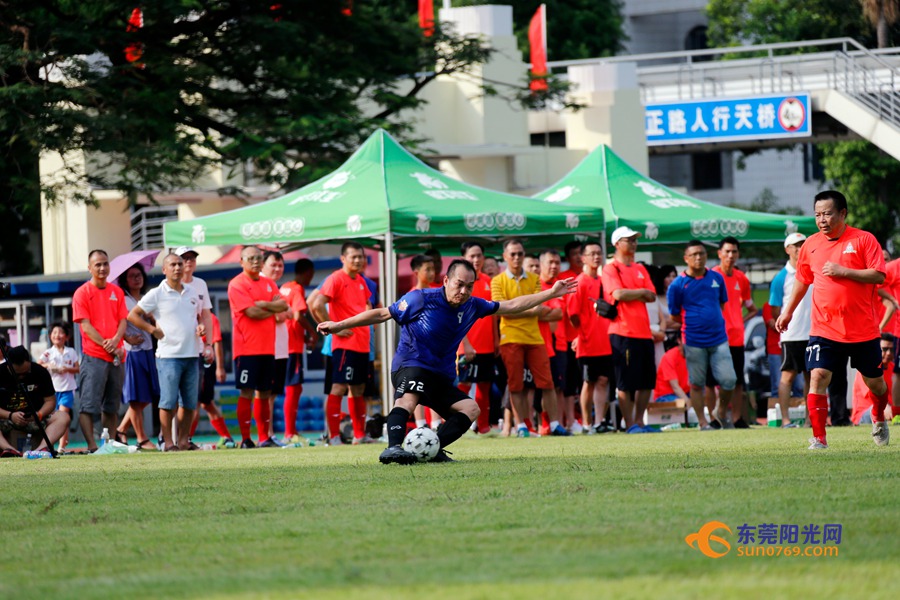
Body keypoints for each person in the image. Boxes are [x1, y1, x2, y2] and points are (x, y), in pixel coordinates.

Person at [317, 259, 578, 464]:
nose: (463, 291)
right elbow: (382, 314)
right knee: (407, 401)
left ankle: (433, 448)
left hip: (440, 374)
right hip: (411, 363)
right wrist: (339, 324)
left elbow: (511, 306)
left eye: (469, 286)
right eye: (458, 284)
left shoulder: (474, 305)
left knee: (470, 409)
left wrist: (550, 294)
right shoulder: (420, 298)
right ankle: (393, 448)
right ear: (446, 281)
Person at [776, 190, 890, 449]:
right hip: (824, 327)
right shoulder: (811, 245)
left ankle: (878, 418)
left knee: (876, 383)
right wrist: (788, 311)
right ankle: (819, 437)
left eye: (827, 213)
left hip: (862, 329)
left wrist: (843, 271)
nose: (822, 219)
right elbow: (802, 281)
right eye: (817, 214)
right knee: (818, 375)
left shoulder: (864, 239)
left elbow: (878, 275)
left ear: (843, 213)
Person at [128, 253, 211, 451]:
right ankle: (168, 441)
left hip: (191, 354)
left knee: (189, 403)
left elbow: (199, 317)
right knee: (167, 401)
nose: (177, 268)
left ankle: (183, 441)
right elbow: (133, 315)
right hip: (168, 356)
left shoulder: (192, 292)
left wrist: (201, 327)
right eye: (172, 265)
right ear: (164, 269)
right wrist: (151, 330)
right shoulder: (157, 293)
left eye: (180, 264)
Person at [492, 239, 571, 437]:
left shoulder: (534, 279)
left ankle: (554, 424)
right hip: (510, 338)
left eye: (520, 253)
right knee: (516, 384)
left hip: (535, 338)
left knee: (547, 382)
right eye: (513, 254)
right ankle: (521, 426)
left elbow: (534, 307)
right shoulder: (498, 281)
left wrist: (514, 307)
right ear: (505, 257)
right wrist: (529, 309)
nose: (517, 257)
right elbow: (501, 311)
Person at [667, 240, 736, 430]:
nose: (699, 258)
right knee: (697, 384)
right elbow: (674, 314)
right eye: (694, 254)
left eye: (702, 254)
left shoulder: (717, 278)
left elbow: (721, 304)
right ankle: (703, 422)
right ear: (686, 258)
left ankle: (720, 412)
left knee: (729, 380)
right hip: (693, 340)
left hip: (719, 338)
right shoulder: (677, 285)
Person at [309, 241, 373, 445]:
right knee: (338, 387)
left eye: (360, 256)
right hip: (344, 345)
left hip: (362, 344)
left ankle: (359, 435)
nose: (358, 260)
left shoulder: (361, 281)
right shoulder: (336, 278)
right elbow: (317, 304)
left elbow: (367, 308)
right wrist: (333, 327)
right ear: (343, 259)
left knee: (358, 389)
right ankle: (334, 436)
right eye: (353, 256)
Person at [226, 245, 288, 448]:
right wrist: (269, 307)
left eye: (258, 258)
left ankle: (264, 438)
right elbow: (251, 313)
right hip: (246, 349)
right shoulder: (236, 284)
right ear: (241, 261)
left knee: (265, 392)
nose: (255, 261)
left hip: (268, 348)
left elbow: (283, 306)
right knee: (246, 392)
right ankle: (245, 439)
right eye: (250, 258)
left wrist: (261, 304)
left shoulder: (269, 283)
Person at [603, 226, 658, 433]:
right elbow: (617, 294)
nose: (634, 243)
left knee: (646, 380)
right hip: (622, 331)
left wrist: (635, 293)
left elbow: (652, 295)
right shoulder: (611, 268)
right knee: (625, 382)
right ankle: (629, 424)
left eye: (635, 240)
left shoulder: (640, 268)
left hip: (644, 332)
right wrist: (641, 292)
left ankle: (639, 422)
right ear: (617, 244)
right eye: (629, 240)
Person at [72, 249, 127, 452]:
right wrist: (108, 344)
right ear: (90, 268)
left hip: (117, 356)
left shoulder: (117, 291)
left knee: (112, 406)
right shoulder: (82, 293)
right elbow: (85, 326)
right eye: (98, 265)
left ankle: (109, 445)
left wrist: (116, 342)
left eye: (105, 264)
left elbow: (123, 320)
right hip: (94, 356)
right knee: (88, 405)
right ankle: (92, 446)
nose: (102, 268)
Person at [709, 237, 758, 428]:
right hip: (717, 337)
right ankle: (716, 417)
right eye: (727, 251)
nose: (730, 255)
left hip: (737, 338)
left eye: (734, 252)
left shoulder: (741, 278)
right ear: (719, 253)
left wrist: (740, 321)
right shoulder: (711, 276)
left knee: (737, 381)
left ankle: (737, 418)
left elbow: (752, 307)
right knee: (714, 382)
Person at [566, 241, 614, 434]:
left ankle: (599, 421)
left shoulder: (604, 280)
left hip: (606, 340)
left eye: (599, 253)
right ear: (583, 258)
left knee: (603, 380)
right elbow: (573, 314)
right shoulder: (580, 282)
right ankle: (587, 423)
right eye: (592, 253)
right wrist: (581, 333)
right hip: (587, 341)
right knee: (589, 381)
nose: (596, 257)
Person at [114, 264, 159, 450]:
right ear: (125, 280)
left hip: (149, 349)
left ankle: (122, 429)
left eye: (139, 275)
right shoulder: (123, 299)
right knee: (136, 397)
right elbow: (120, 321)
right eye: (132, 276)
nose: (137, 278)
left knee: (148, 395)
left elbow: (156, 320)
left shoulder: (146, 297)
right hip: (133, 352)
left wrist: (151, 317)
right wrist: (126, 337)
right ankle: (141, 438)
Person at [769, 233, 812, 421]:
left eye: (802, 244)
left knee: (813, 377)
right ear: (787, 250)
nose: (799, 248)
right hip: (792, 335)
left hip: (813, 333)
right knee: (788, 376)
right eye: (795, 245)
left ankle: (811, 420)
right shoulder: (781, 278)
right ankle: (785, 419)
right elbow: (775, 309)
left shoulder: (813, 271)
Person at [0, 345, 72, 455]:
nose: (22, 377)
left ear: (29, 362)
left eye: (25, 373)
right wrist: (10, 415)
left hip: (36, 418)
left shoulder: (40, 372)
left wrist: (39, 414)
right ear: (8, 366)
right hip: (6, 418)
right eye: (18, 375)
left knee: (63, 416)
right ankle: (9, 450)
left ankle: (41, 449)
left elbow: (50, 401)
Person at [458, 241, 498, 435]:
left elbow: (493, 315)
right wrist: (465, 343)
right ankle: (452, 423)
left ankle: (483, 426)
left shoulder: (489, 281)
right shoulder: (459, 284)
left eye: (479, 256)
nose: (476, 259)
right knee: (462, 385)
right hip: (466, 346)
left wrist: (496, 340)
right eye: (471, 256)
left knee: (485, 386)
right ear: (464, 258)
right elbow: (454, 316)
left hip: (487, 346)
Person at [279, 258, 318, 445]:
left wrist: (303, 336)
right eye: (311, 274)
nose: (311, 277)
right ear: (306, 272)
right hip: (291, 347)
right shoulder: (297, 289)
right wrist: (313, 332)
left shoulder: (285, 286)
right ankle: (289, 432)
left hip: (284, 343)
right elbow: (297, 316)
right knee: (293, 388)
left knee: (294, 387)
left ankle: (290, 431)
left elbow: (291, 321)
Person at [539, 249, 572, 430]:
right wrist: (546, 313)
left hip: (559, 344)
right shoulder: (537, 287)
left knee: (557, 387)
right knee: (538, 388)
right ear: (541, 264)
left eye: (557, 263)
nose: (553, 266)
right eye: (550, 262)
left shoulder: (560, 287)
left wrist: (546, 313)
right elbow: (539, 315)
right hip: (540, 344)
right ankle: (540, 424)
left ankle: (555, 423)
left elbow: (558, 314)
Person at [191, 311, 235, 446]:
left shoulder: (210, 318)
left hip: (204, 364)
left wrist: (220, 367)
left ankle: (185, 439)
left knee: (196, 403)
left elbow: (217, 342)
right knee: (206, 403)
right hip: (192, 362)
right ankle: (227, 437)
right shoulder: (188, 314)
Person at [261, 250, 290, 446]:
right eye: (273, 265)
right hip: (264, 347)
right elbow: (281, 313)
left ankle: (269, 434)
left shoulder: (273, 286)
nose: (277, 269)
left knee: (272, 395)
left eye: (280, 265)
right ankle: (264, 435)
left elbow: (287, 312)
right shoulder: (260, 284)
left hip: (279, 348)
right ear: (263, 265)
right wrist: (276, 308)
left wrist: (276, 308)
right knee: (263, 393)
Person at [37, 322, 80, 453]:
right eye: (54, 333)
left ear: (66, 336)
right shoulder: (48, 353)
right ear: (50, 336)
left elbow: (77, 369)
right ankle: (51, 445)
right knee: (53, 418)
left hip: (67, 389)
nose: (57, 335)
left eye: (60, 332)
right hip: (52, 392)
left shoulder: (71, 351)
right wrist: (50, 366)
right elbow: (38, 365)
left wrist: (66, 369)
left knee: (63, 415)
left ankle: (62, 446)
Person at [851, 333, 896, 425]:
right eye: (884, 349)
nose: (888, 353)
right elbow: (876, 395)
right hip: (863, 415)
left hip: (888, 410)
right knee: (881, 408)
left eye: (891, 349)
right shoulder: (866, 369)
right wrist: (886, 408)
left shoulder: (894, 369)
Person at [653, 333, 690, 403]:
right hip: (665, 395)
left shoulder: (695, 355)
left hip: (686, 392)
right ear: (679, 340)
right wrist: (688, 402)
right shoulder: (670, 357)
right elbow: (675, 387)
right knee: (681, 403)